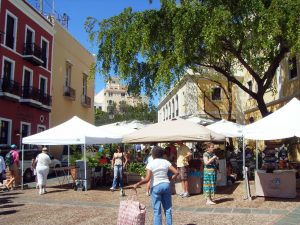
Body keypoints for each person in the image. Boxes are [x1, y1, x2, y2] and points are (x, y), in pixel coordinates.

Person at [133, 146, 179, 225]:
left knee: (157, 210)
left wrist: (138, 184)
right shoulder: (166, 162)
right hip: (166, 185)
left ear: (153, 155)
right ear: (161, 154)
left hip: (156, 186)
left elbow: (147, 179)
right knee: (168, 209)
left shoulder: (150, 164)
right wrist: (169, 178)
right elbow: (176, 172)